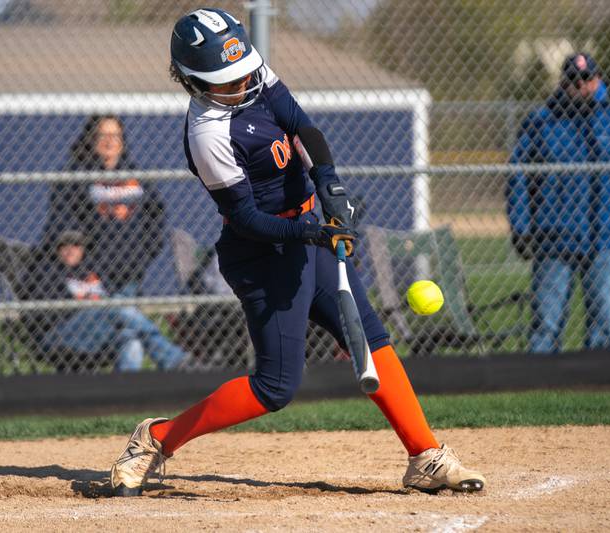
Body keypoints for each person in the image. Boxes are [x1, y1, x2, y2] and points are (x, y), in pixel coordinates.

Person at [110, 7, 485, 496]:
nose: (242, 84)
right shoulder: (207, 133)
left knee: (369, 337)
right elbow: (246, 218)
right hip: (263, 255)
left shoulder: (252, 73)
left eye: (243, 72)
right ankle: (157, 438)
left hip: (308, 228)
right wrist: (312, 236)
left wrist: (328, 184)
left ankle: (425, 455)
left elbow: (302, 126)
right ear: (194, 83)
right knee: (275, 388)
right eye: (226, 81)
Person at [505, 52, 610, 354]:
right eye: (573, 79)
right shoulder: (541, 122)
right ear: (563, 82)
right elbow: (518, 179)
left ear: (598, 80)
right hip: (553, 239)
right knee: (545, 327)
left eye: (587, 79)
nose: (581, 85)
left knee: (604, 324)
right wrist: (520, 229)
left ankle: (600, 389)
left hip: (604, 239)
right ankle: (540, 391)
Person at [21, 230, 186, 372]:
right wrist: (86, 307)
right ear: (56, 250)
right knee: (115, 305)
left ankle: (124, 393)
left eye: (76, 245)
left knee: (130, 338)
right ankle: (174, 359)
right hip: (63, 333)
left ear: (83, 249)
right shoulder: (46, 272)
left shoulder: (93, 270)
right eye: (64, 245)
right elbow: (43, 315)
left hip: (96, 331)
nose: (70, 250)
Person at [40, 115, 165, 297]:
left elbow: (155, 218)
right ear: (91, 139)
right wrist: (86, 267)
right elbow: (62, 223)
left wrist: (141, 257)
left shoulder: (137, 176)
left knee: (123, 317)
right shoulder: (74, 177)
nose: (109, 142)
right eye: (103, 136)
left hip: (130, 274)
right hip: (91, 276)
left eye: (115, 136)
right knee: (122, 317)